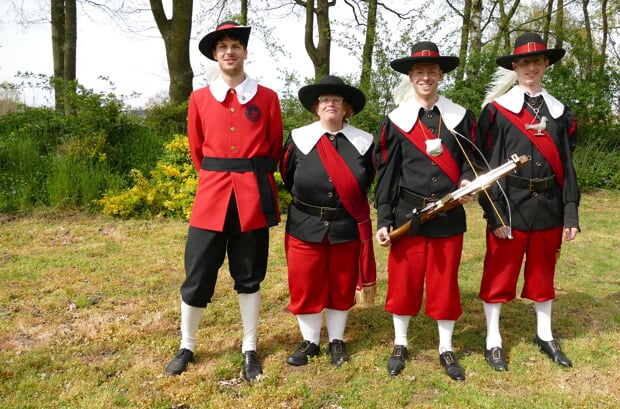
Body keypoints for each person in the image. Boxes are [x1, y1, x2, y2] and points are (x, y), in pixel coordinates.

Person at [164, 21, 284, 381]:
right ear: (215, 57)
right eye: (222, 48)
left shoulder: (267, 98)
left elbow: (274, 148)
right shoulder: (200, 98)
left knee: (249, 275)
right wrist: (220, 177)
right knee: (198, 275)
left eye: (235, 45)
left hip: (252, 195)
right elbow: (197, 149)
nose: (229, 52)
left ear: (245, 52)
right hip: (212, 196)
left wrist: (247, 174)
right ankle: (187, 345)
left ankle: (250, 347)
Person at [373, 41, 481, 382]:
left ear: (441, 74)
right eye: (419, 71)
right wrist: (385, 219)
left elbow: (472, 160)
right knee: (404, 282)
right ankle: (401, 343)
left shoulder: (461, 116)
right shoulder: (395, 121)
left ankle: (445, 347)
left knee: (445, 283)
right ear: (411, 75)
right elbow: (387, 174)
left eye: (432, 71)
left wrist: (466, 180)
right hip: (408, 215)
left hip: (449, 214)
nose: (426, 77)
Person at [476, 32, 580, 372]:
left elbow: (566, 162)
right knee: (499, 274)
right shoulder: (497, 111)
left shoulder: (561, 112)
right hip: (510, 204)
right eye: (524, 62)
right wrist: (494, 213)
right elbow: (487, 165)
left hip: (548, 203)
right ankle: (493, 339)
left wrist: (570, 212)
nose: (530, 68)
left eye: (536, 61)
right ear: (515, 67)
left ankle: (545, 334)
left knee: (542, 273)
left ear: (546, 64)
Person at [279, 75, 376, 368]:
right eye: (324, 100)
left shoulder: (363, 142)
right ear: (316, 108)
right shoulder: (298, 138)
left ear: (346, 108)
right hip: (304, 224)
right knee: (305, 284)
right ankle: (309, 341)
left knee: (341, 284)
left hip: (345, 225)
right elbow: (287, 174)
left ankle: (336, 341)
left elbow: (366, 179)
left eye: (336, 99)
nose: (330, 104)